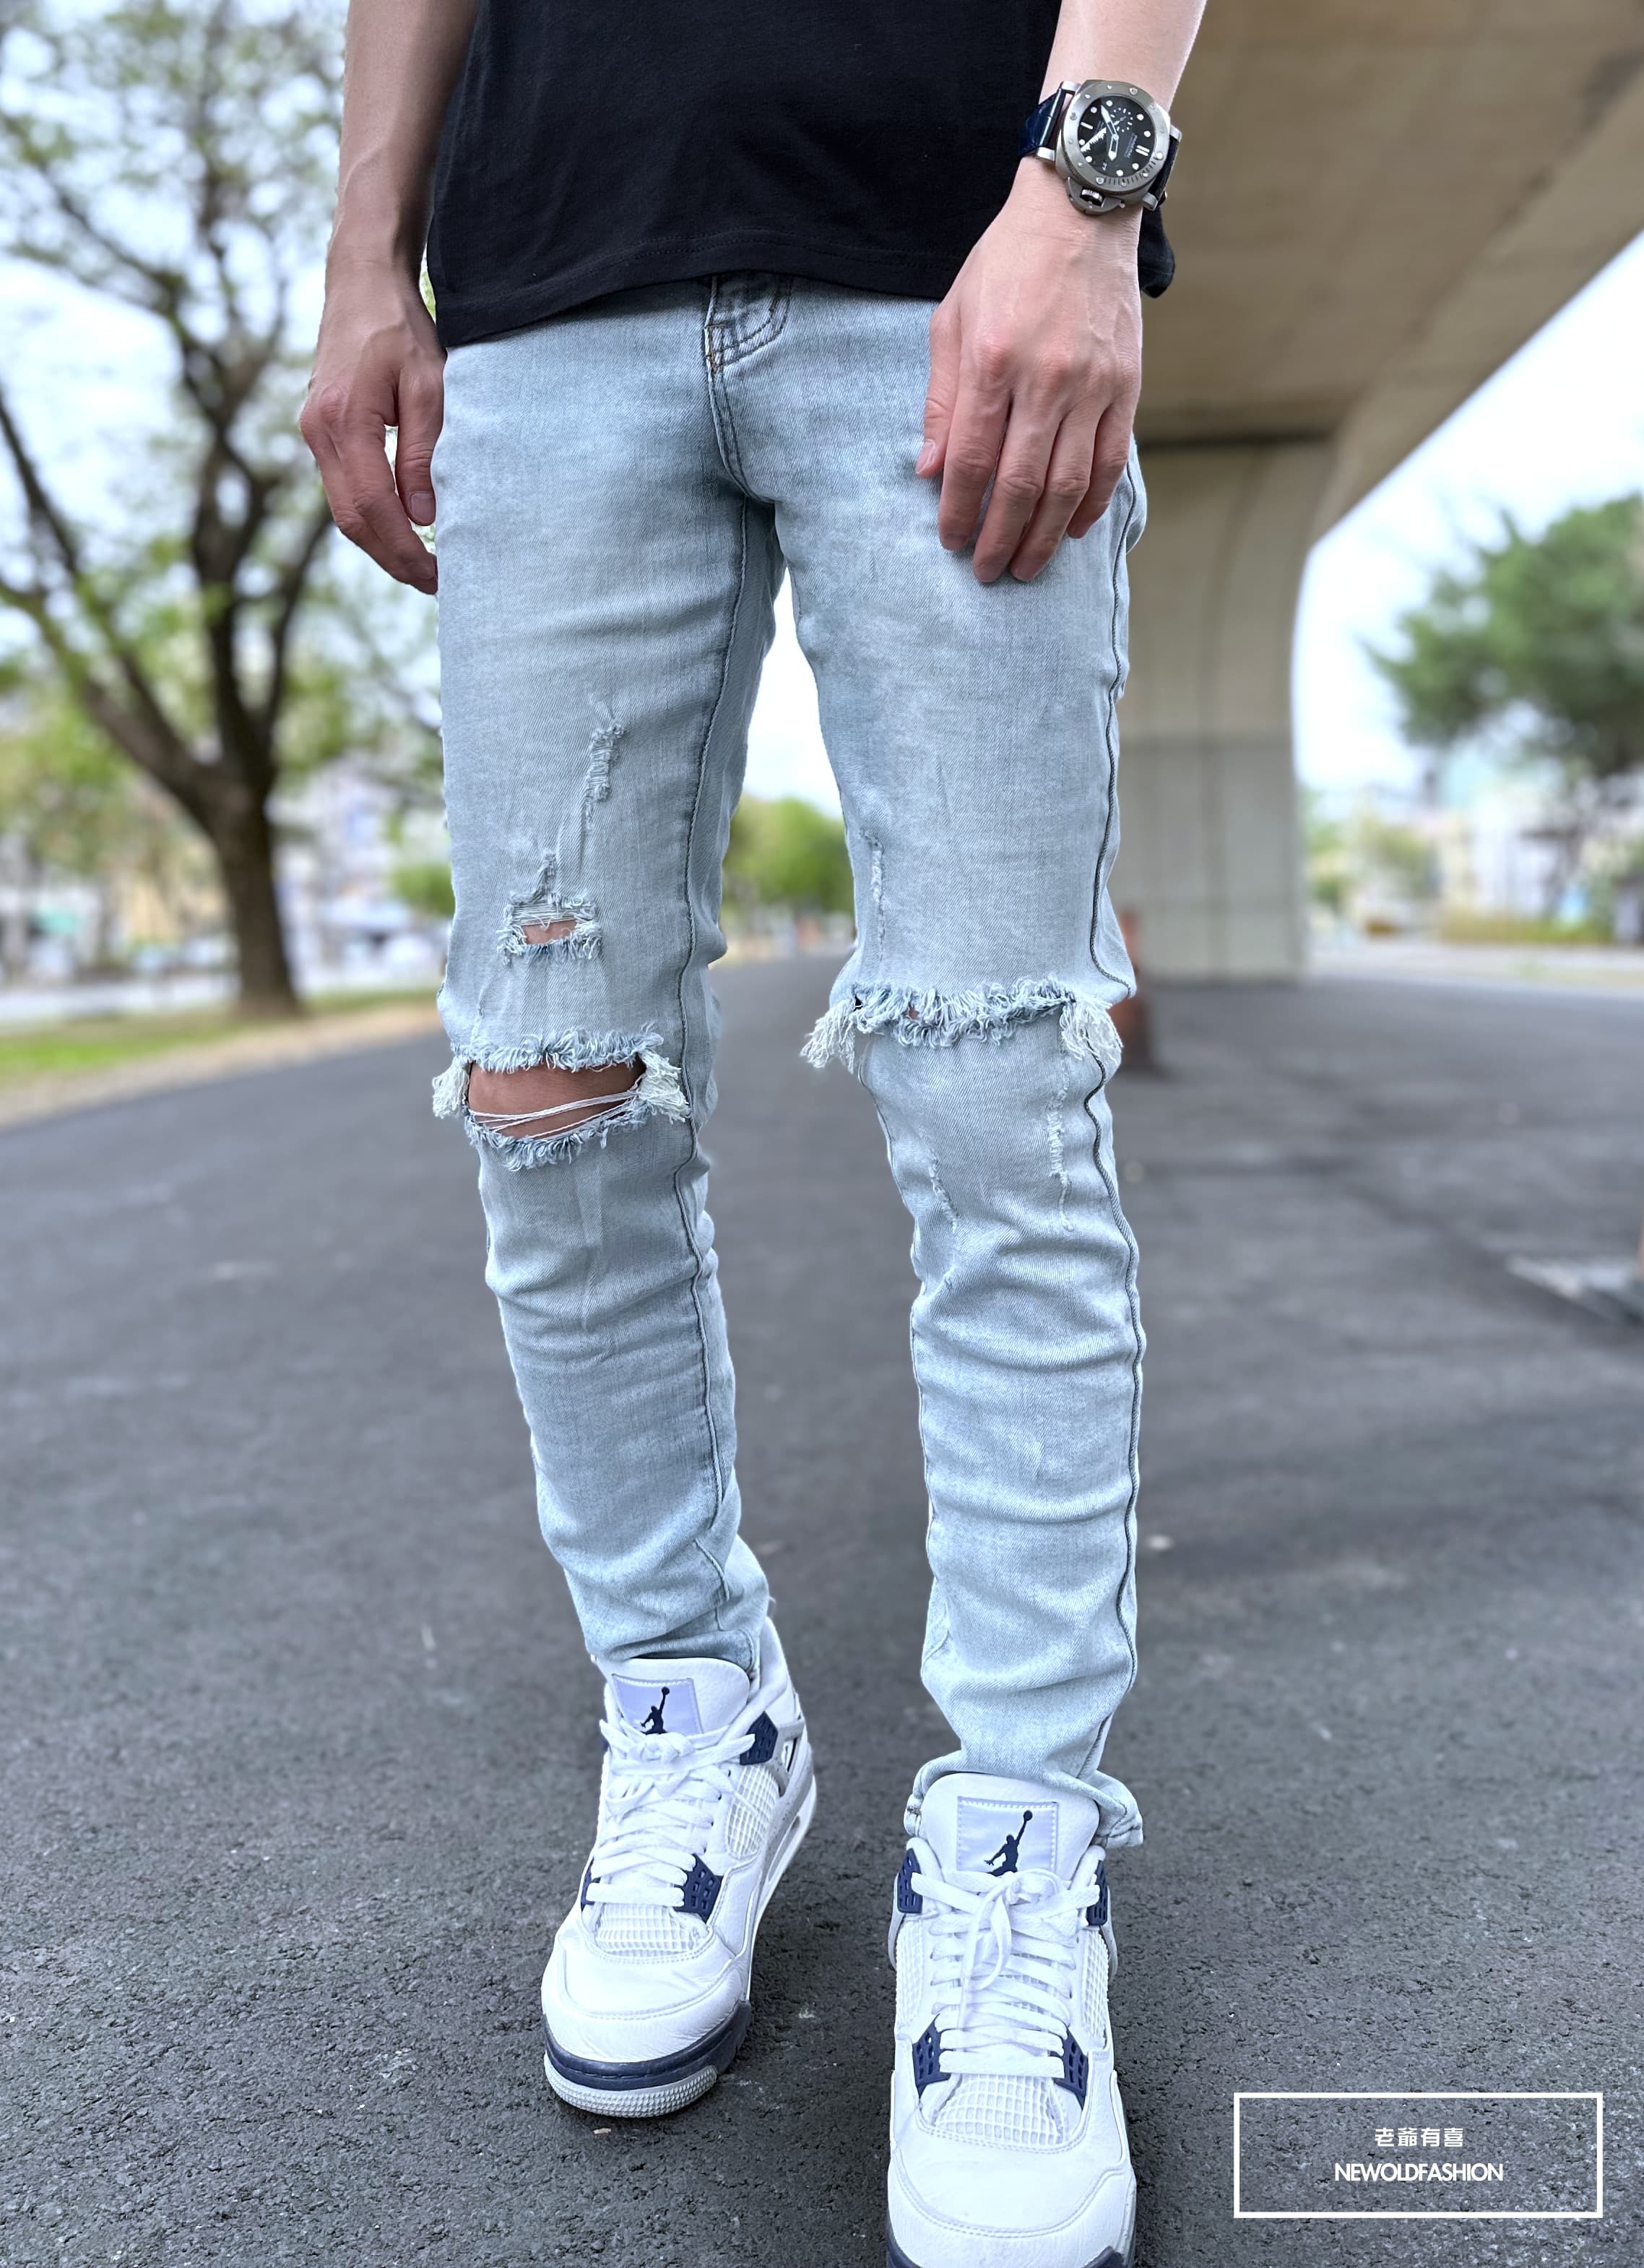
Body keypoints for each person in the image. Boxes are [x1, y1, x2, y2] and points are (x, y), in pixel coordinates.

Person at [303, 1, 1204, 2259]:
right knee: (546, 1086)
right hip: (547, 306)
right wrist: (359, 260)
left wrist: (1086, 188)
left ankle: (1015, 1838)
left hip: (949, 254)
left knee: (995, 1088)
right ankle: (695, 1706)